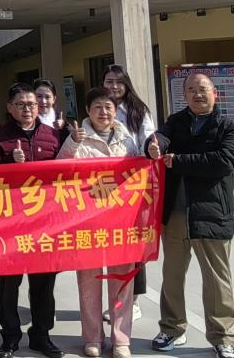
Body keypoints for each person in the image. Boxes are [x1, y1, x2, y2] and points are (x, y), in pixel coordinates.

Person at [146, 73, 234, 358]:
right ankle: (172, 328)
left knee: (217, 281)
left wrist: (178, 161)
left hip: (212, 213)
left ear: (215, 93)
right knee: (172, 276)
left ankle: (222, 337)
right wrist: (154, 145)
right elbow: (161, 137)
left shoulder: (228, 127)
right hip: (176, 214)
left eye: (202, 89)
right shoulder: (177, 121)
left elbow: (225, 161)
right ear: (184, 95)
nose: (197, 94)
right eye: (191, 90)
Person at [57, 88, 139, 358]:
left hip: (121, 222)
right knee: (89, 284)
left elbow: (138, 175)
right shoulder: (77, 138)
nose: (103, 112)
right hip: (88, 222)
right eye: (97, 107)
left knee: (122, 282)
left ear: (116, 111)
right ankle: (92, 337)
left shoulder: (127, 138)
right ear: (87, 111)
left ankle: (121, 339)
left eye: (108, 107)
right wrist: (72, 143)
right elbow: (59, 170)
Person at [0, 84, 64, 358]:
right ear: (10, 108)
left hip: (45, 222)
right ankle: (10, 337)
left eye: (31, 104)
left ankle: (41, 335)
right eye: (20, 104)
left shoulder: (52, 135)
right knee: (10, 284)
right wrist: (9, 160)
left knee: (44, 283)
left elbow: (65, 171)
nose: (28, 109)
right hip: (11, 222)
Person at [102, 64, 156, 323]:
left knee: (134, 245)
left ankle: (133, 301)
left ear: (126, 84)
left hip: (133, 185)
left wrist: (151, 147)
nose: (113, 86)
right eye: (108, 81)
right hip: (106, 187)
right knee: (111, 245)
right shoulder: (99, 107)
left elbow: (149, 138)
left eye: (118, 82)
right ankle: (115, 300)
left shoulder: (138, 110)